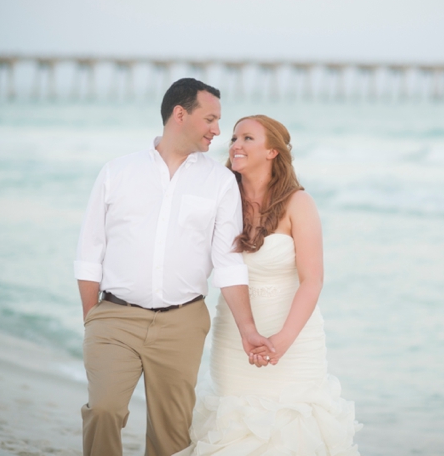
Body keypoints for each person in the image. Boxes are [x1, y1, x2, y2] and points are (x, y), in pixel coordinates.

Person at [74, 79, 274, 456]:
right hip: (115, 318)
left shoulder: (219, 182)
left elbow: (228, 263)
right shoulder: (117, 172)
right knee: (103, 410)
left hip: (182, 323)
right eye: (211, 119)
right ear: (180, 114)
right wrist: (92, 319)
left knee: (171, 436)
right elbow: (89, 252)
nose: (219, 131)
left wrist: (248, 330)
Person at [175, 115, 361, 455]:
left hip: (293, 339)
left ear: (273, 151)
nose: (235, 145)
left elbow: (312, 280)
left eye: (247, 138)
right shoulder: (221, 198)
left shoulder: (298, 203)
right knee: (234, 428)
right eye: (234, 138)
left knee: (292, 431)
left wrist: (281, 342)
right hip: (234, 339)